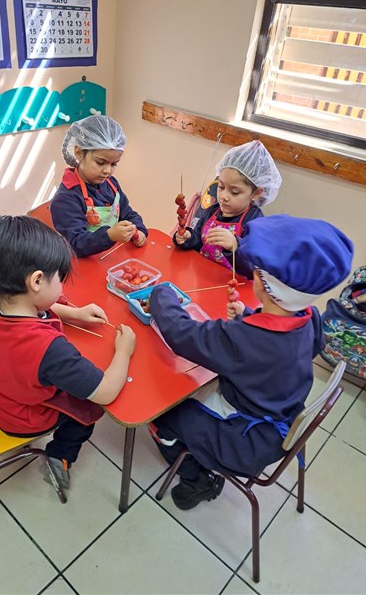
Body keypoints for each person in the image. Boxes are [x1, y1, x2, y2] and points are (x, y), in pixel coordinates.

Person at [148, 215, 353, 510]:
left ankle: (197, 479)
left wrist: (161, 294)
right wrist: (248, 315)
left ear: (264, 284)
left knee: (160, 414)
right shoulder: (310, 317)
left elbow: (182, 336)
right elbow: (284, 347)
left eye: (256, 271)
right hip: (280, 410)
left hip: (244, 441)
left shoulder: (246, 339)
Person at [0, 215, 136, 489]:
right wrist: (123, 351)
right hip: (21, 416)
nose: (62, 284)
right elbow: (106, 392)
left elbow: (32, 306)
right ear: (37, 281)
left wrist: (74, 314)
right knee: (86, 410)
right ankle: (59, 456)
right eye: (59, 277)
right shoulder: (50, 350)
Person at [174, 140, 282, 279]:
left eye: (235, 192)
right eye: (221, 187)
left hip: (234, 287)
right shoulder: (212, 211)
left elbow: (254, 271)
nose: (223, 196)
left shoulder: (256, 223)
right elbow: (198, 242)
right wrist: (187, 238)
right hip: (202, 278)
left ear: (256, 193)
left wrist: (234, 247)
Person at [51, 115, 148, 257]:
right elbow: (75, 244)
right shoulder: (66, 198)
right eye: (100, 163)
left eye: (114, 164)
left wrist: (138, 229)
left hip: (110, 258)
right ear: (79, 153)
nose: (108, 171)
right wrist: (109, 235)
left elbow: (127, 213)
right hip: (82, 263)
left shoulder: (111, 184)